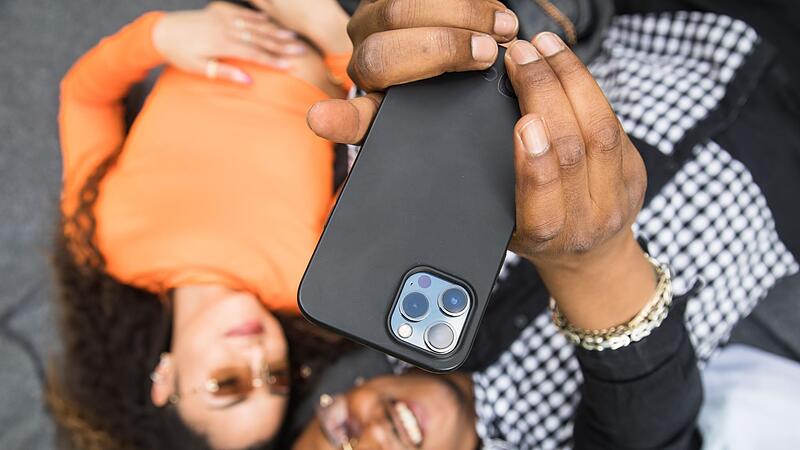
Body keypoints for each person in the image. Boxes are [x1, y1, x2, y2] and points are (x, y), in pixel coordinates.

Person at [299, 0, 800, 448]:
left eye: (341, 437)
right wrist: (591, 261)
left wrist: (430, 44)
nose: (374, 439)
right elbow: (654, 423)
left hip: (689, 28)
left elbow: (452, 59)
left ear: (335, 395)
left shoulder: (366, 270)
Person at [48, 1, 357, 449]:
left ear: (166, 379)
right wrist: (334, 36)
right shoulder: (307, 283)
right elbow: (381, 147)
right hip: (350, 31)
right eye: (275, 375)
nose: (255, 355)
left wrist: (159, 37)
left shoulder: (100, 243)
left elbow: (85, 98)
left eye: (227, 383)